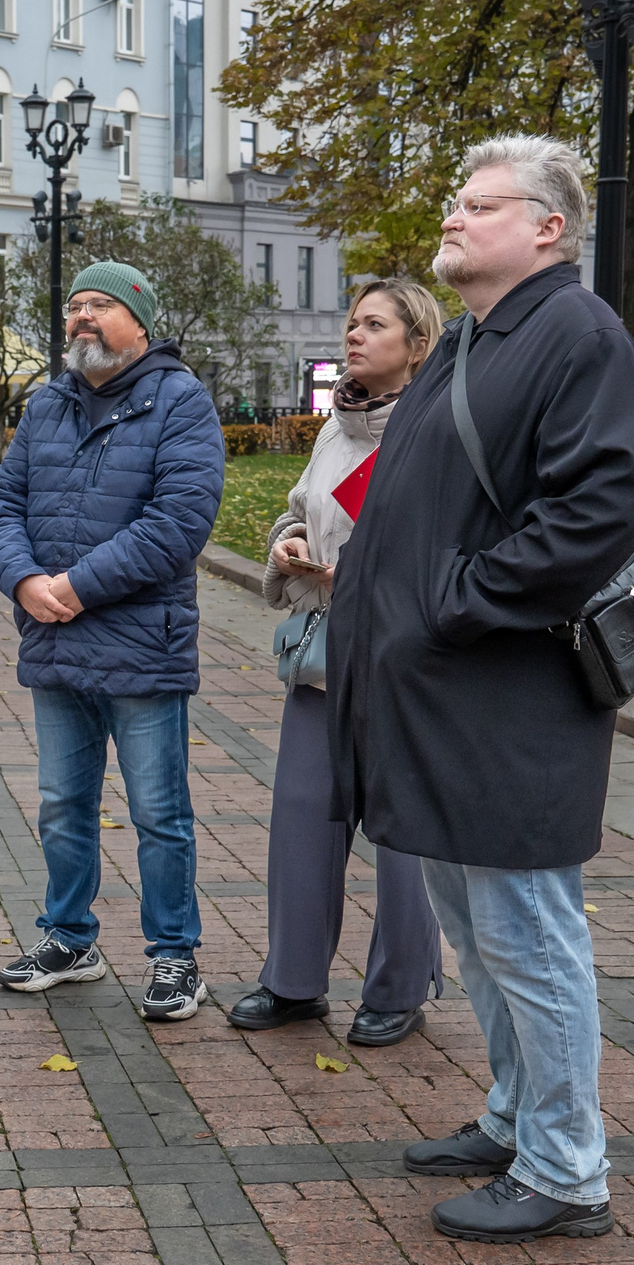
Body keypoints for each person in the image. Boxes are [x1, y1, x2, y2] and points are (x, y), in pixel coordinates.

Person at [326, 135, 634, 1245]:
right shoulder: (479, 337)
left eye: (478, 205)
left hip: (509, 694)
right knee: (477, 924)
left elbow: (599, 514)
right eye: (454, 203)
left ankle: (566, 1168)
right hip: (447, 695)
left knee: (527, 931)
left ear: (546, 227)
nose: (452, 219)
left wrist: (454, 599)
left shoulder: (574, 334)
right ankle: (516, 1116)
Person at [0, 261, 227, 1022]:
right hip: (55, 641)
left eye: (100, 306)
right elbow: (2, 506)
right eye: (75, 307)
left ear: (141, 322)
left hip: (140, 644)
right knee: (62, 804)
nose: (81, 317)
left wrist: (76, 586)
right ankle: (69, 937)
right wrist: (24, 581)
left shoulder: (180, 402)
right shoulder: (48, 404)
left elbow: (179, 522)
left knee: (159, 810)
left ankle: (174, 957)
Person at [228, 280, 446, 1048]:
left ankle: (400, 986)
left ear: (416, 344)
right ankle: (293, 981)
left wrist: (353, 580)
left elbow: (444, 552)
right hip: (324, 657)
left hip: (402, 664)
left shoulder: (438, 430)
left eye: (374, 324)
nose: (353, 333)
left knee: (400, 836)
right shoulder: (338, 427)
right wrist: (288, 542)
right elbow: (302, 507)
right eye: (352, 320)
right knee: (301, 815)